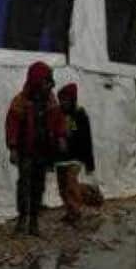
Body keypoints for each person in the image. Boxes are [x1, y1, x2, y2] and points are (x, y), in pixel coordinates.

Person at [6, 62, 67, 236]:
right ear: (36, 81)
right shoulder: (20, 101)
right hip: (26, 150)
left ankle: (34, 221)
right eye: (46, 82)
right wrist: (13, 147)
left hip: (44, 151)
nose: (49, 86)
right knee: (24, 184)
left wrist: (61, 136)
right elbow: (12, 125)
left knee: (38, 186)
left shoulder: (51, 100)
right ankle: (22, 220)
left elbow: (59, 120)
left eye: (50, 83)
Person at [56, 83, 95, 224]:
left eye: (65, 100)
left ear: (72, 99)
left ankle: (76, 211)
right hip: (60, 158)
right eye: (61, 100)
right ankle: (70, 210)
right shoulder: (57, 115)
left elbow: (86, 139)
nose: (63, 102)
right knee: (62, 188)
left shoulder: (80, 115)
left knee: (70, 183)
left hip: (76, 157)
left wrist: (89, 163)